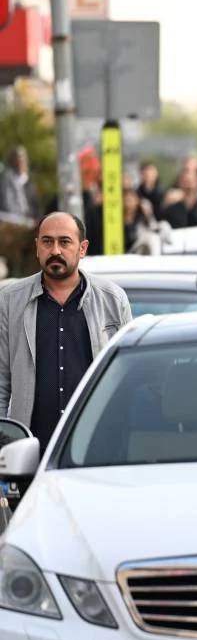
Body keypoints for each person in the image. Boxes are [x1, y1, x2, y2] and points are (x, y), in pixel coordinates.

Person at [0, 213, 132, 448]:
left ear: (82, 248)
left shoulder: (112, 300)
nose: (55, 251)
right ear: (37, 246)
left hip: (95, 446)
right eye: (47, 242)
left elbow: (127, 378)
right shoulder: (10, 301)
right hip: (29, 449)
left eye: (64, 242)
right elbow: (1, 381)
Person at [0, 147, 37, 221]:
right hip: (12, 220)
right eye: (19, 158)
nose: (22, 161)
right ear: (12, 160)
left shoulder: (25, 181)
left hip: (24, 219)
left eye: (24, 158)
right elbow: (7, 201)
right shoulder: (7, 176)